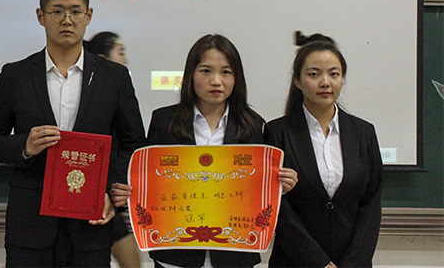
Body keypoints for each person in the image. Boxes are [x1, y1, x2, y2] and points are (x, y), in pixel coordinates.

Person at [0, 0, 147, 268]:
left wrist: (112, 188)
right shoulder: (15, 75)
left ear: (89, 16)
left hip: (91, 224)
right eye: (57, 12)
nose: (67, 21)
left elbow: (134, 143)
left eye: (75, 12)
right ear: (41, 16)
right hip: (30, 224)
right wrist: (24, 146)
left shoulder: (114, 78)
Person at [111, 34, 297, 268]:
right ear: (191, 74)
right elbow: (150, 181)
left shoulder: (254, 126)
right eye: (206, 71)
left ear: (237, 78)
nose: (216, 81)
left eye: (226, 72)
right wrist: (127, 192)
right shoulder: (164, 121)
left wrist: (280, 186)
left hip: (234, 255)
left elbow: (257, 189)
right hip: (176, 254)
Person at [265, 32, 383, 268]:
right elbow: (279, 209)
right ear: (297, 81)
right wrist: (320, 263)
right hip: (294, 262)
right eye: (314, 74)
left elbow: (371, 206)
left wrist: (353, 263)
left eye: (334, 74)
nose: (325, 82)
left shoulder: (364, 133)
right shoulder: (277, 132)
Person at [85, 31, 139, 268]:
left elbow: (132, 142)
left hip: (107, 195)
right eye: (120, 53)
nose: (125, 60)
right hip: (85, 192)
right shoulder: (91, 99)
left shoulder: (119, 92)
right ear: (101, 59)